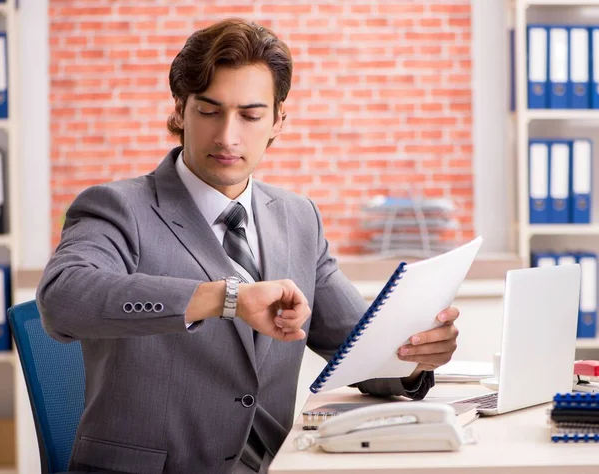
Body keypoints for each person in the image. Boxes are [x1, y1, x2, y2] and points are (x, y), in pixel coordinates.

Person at [37, 18, 461, 474]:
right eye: (209, 110)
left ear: (278, 119)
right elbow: (63, 299)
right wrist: (225, 298)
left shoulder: (298, 219)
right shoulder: (119, 208)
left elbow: (357, 349)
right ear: (180, 110)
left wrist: (414, 355)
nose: (227, 136)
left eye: (250, 115)